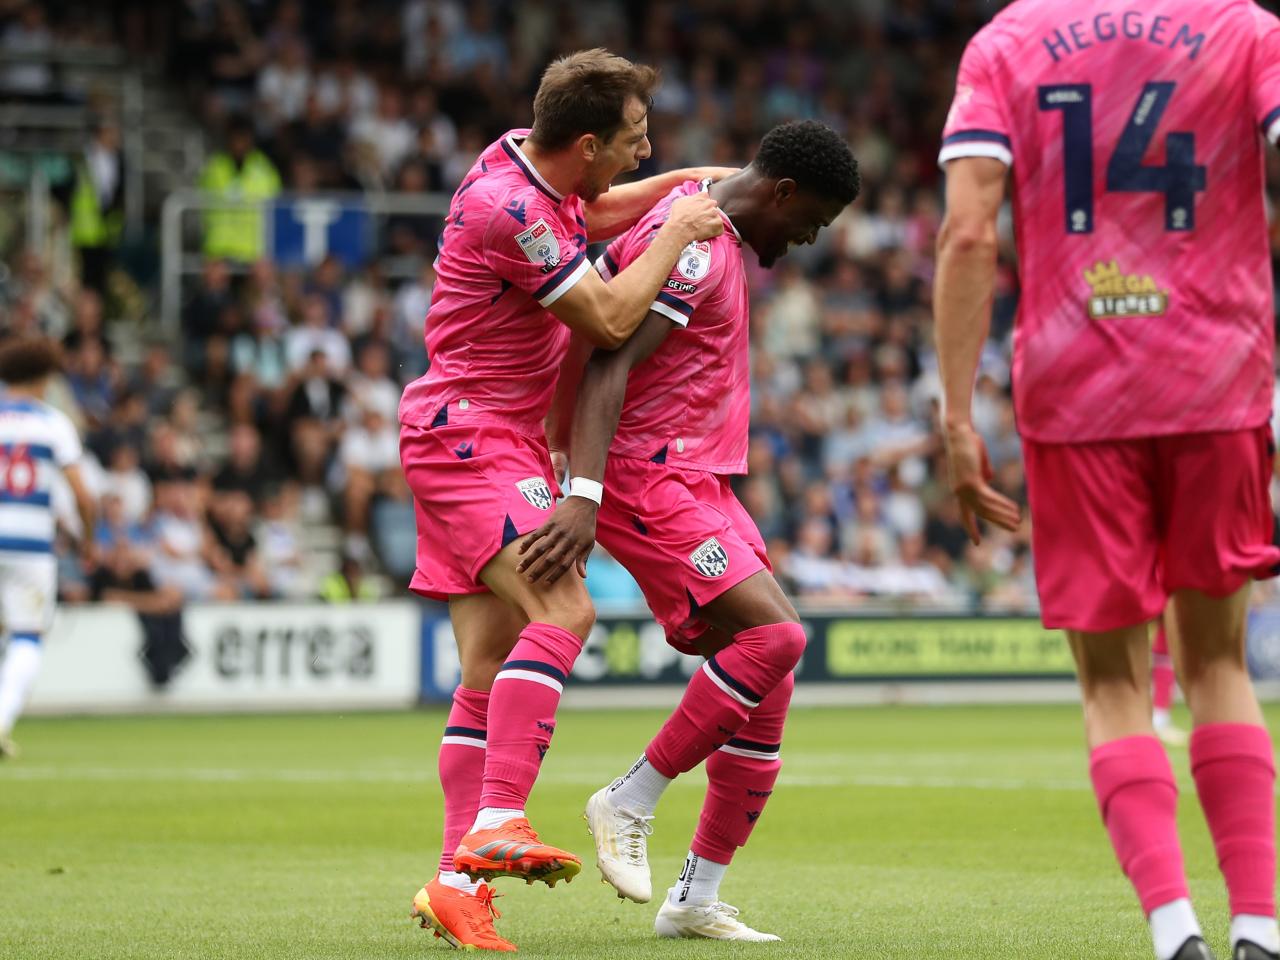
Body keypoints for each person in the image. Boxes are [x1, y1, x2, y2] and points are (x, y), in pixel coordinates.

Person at [934, 4, 1280, 959]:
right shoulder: (1244, 28)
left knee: (1113, 685)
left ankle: (1175, 934)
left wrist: (958, 420)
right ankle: (1260, 924)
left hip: (1075, 388)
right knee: (1218, 665)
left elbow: (968, 233)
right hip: (1219, 378)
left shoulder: (1005, 43)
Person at [400, 48, 728, 953]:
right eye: (633, 139)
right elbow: (614, 317)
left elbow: (607, 204)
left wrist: (695, 182)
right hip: (475, 431)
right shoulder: (511, 211)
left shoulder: (521, 157)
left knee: (484, 661)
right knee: (566, 605)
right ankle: (499, 816)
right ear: (585, 142)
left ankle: (456, 884)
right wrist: (681, 230)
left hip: (464, 425)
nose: (643, 150)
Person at [518, 120, 860, 941]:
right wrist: (585, 491)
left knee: (768, 682)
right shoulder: (697, 250)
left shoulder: (698, 213)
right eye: (807, 221)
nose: (804, 239)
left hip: (699, 479)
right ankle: (627, 799)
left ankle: (695, 899)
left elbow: (717, 180)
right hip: (648, 476)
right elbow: (609, 361)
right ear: (779, 192)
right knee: (777, 639)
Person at [0, 337, 95, 758]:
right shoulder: (52, 423)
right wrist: (88, 540)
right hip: (31, 548)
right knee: (26, 636)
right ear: (44, 378)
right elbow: (82, 494)